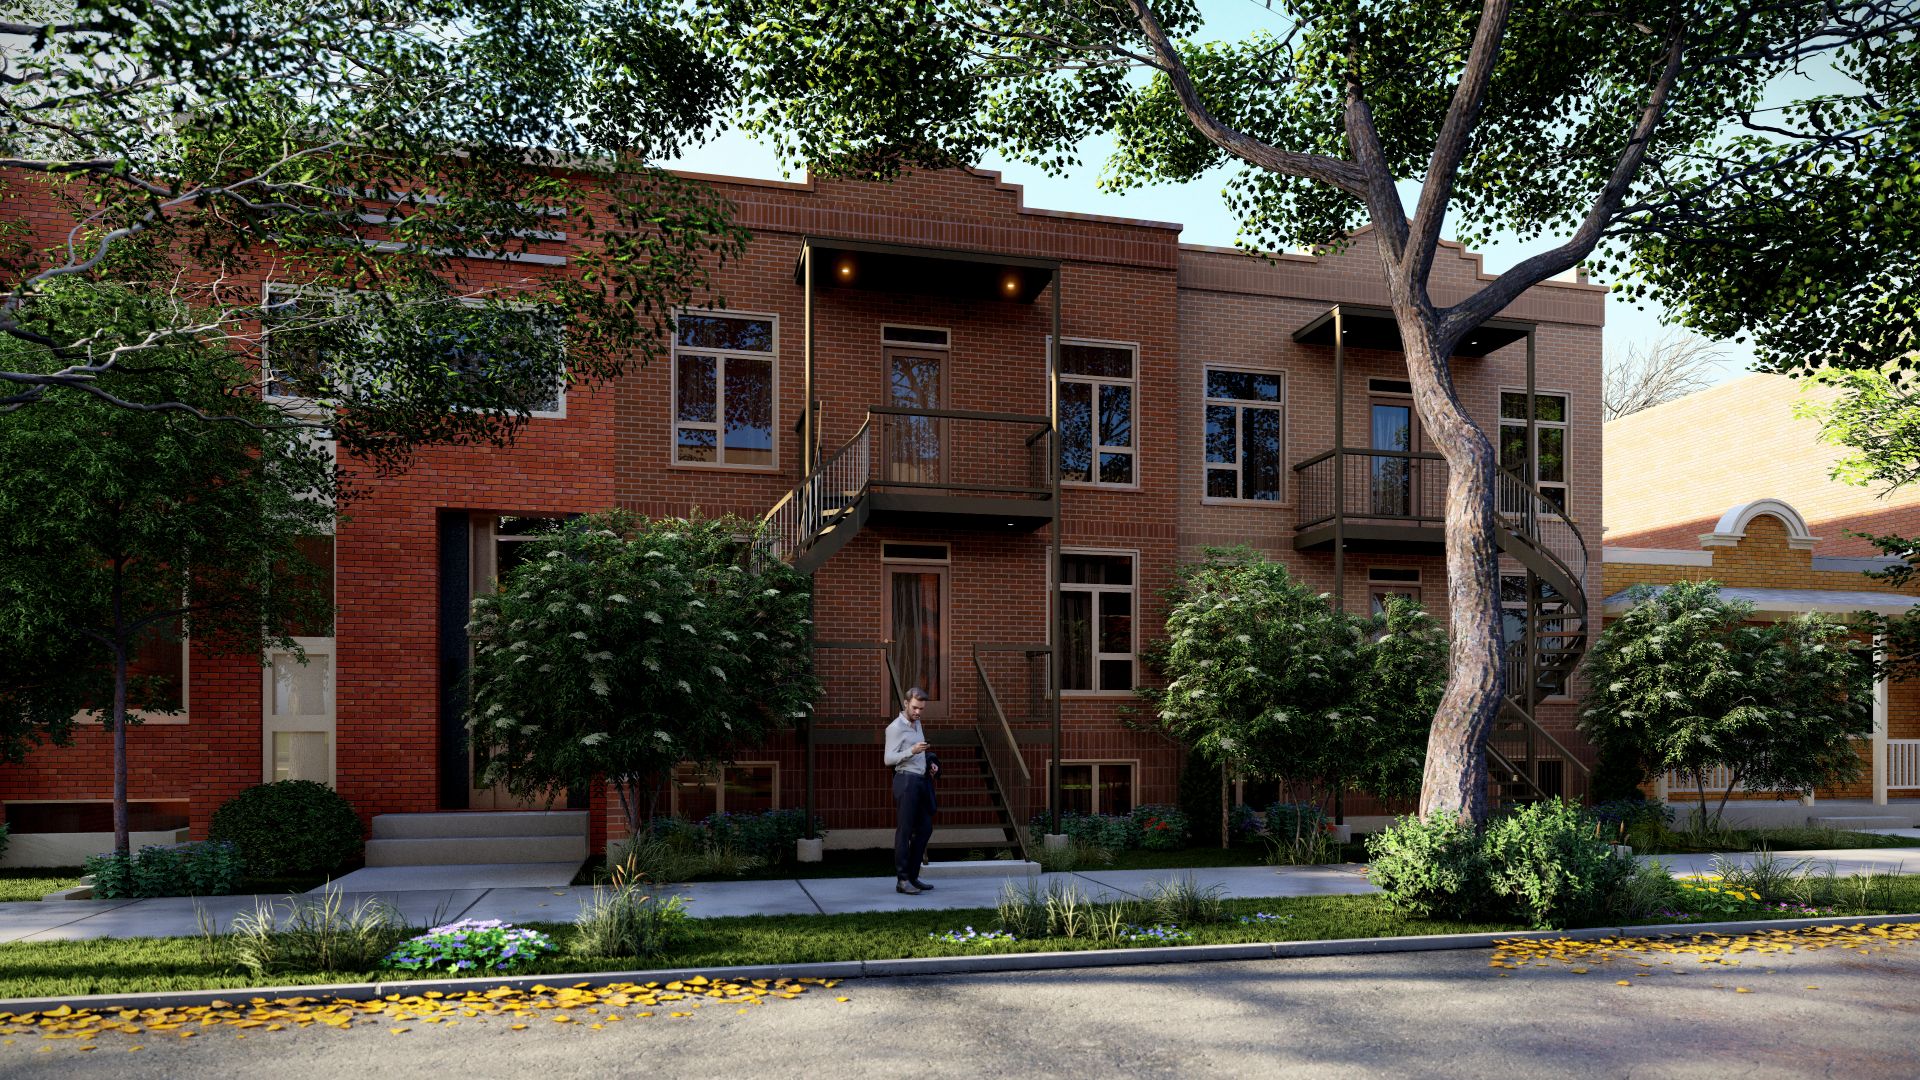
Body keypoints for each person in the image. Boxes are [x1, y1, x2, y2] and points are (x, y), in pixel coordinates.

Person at [883, 687, 939, 894]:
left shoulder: (917, 724)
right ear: (906, 703)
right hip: (905, 781)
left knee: (925, 828)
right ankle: (902, 880)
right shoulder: (895, 728)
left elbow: (920, 754)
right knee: (905, 831)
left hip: (921, 781)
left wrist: (930, 764)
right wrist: (911, 751)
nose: (918, 712)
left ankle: (913, 876)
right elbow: (888, 759)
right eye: (915, 708)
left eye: (921, 709)